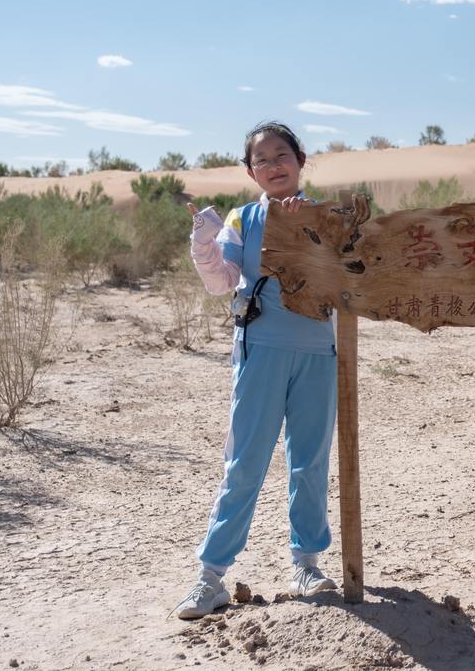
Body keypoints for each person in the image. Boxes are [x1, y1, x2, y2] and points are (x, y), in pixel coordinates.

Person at [173, 121, 339, 620]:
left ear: (301, 160)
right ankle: (211, 577)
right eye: (261, 159)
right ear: (250, 171)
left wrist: (308, 228)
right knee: (244, 463)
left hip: (318, 351)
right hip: (260, 349)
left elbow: (355, 275)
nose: (273, 165)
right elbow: (221, 281)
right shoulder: (243, 220)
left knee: (309, 462)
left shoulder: (331, 218)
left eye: (281, 154)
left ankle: (307, 566)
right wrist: (204, 242)